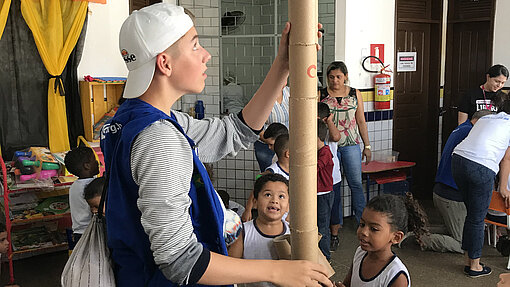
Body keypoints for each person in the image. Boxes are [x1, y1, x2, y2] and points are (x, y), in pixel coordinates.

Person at [100, 4, 332, 287]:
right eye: (195, 45)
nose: (206, 55)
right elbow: (180, 260)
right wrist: (277, 271)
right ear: (165, 63)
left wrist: (282, 65)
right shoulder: (158, 138)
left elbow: (234, 131)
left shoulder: (135, 118)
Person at [419, 109, 493, 254]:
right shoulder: (470, 134)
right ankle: (419, 239)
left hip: (442, 191)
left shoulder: (462, 128)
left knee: (453, 228)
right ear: (481, 123)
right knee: (463, 243)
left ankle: (418, 230)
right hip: (450, 196)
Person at [451, 99, 510, 278]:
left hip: (458, 161)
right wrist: (503, 187)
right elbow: (506, 159)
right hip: (480, 167)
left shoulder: (487, 118)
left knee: (472, 215)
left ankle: (469, 258)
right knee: (477, 218)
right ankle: (474, 266)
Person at [319, 61, 371, 224]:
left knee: (355, 184)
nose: (335, 80)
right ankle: (336, 224)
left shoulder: (355, 93)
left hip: (351, 145)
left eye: (339, 77)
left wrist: (367, 146)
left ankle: (362, 222)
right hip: (328, 147)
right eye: (331, 77)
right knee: (333, 186)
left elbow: (361, 121)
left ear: (345, 77)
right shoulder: (321, 95)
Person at [340, 194, 428, 287]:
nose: (364, 232)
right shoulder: (360, 253)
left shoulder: (396, 276)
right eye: (362, 224)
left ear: (396, 237)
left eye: (374, 229)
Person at [228, 174, 290, 287]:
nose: (274, 200)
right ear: (255, 202)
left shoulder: (292, 233)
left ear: (288, 205)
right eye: (268, 195)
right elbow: (230, 268)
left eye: (281, 196)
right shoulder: (243, 232)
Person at [242, 134, 290, 222]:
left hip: (287, 215)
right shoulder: (272, 171)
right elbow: (255, 190)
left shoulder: (295, 170)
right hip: (274, 215)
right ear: (288, 154)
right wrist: (248, 210)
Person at [318, 102, 342, 251]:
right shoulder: (311, 130)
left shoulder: (327, 131)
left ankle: (334, 236)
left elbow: (336, 136)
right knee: (321, 217)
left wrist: (330, 122)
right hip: (319, 184)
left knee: (333, 211)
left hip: (333, 179)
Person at [64, 146, 99, 244]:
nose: (97, 163)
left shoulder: (74, 186)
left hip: (78, 233)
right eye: (94, 160)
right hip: (92, 233)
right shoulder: (93, 186)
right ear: (87, 166)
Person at [254, 86, 290, 172]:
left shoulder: (290, 92)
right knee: (269, 172)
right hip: (266, 142)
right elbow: (254, 125)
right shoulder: (262, 95)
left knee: (286, 170)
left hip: (286, 143)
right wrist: (270, 141)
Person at [317, 119, 335, 260]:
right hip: (317, 194)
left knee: (322, 228)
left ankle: (325, 258)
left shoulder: (325, 152)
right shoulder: (319, 151)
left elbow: (315, 167)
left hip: (323, 194)